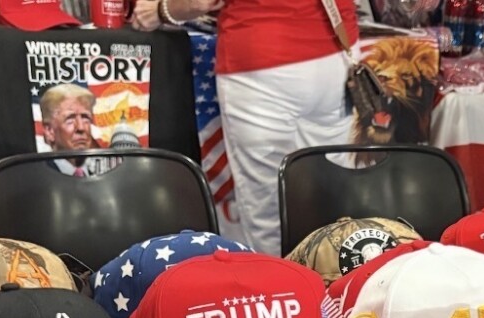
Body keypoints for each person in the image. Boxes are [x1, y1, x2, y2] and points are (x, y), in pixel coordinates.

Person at [132, 0, 357, 255]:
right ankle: (334, 287)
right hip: (337, 50)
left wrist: (161, 11)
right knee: (328, 198)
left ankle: (280, 290)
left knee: (268, 212)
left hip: (263, 58)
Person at [39, 83, 116, 177]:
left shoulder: (106, 176)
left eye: (85, 118)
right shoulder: (39, 178)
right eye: (70, 119)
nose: (81, 127)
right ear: (49, 131)